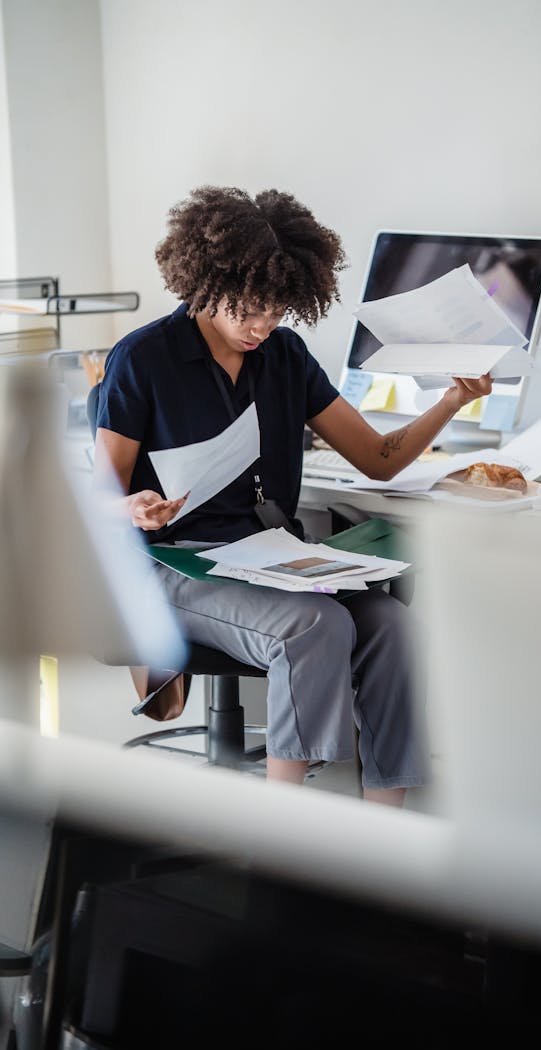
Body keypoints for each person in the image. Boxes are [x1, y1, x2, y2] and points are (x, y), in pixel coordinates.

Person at [93, 185, 492, 807]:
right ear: (206, 280)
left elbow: (377, 459)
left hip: (269, 558)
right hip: (172, 562)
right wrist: (136, 506)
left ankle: (383, 827)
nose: (262, 326)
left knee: (389, 622)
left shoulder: (284, 355)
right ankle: (287, 839)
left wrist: (450, 402)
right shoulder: (142, 359)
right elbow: (101, 498)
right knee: (313, 625)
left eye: (277, 311)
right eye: (249, 309)